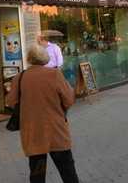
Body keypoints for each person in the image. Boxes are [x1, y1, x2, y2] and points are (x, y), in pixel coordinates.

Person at [6, 45, 79, 183]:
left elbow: (10, 102)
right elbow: (69, 100)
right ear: (45, 59)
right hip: (56, 131)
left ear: (29, 59)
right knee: (67, 171)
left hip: (33, 133)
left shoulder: (19, 78)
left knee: (37, 174)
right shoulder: (54, 75)